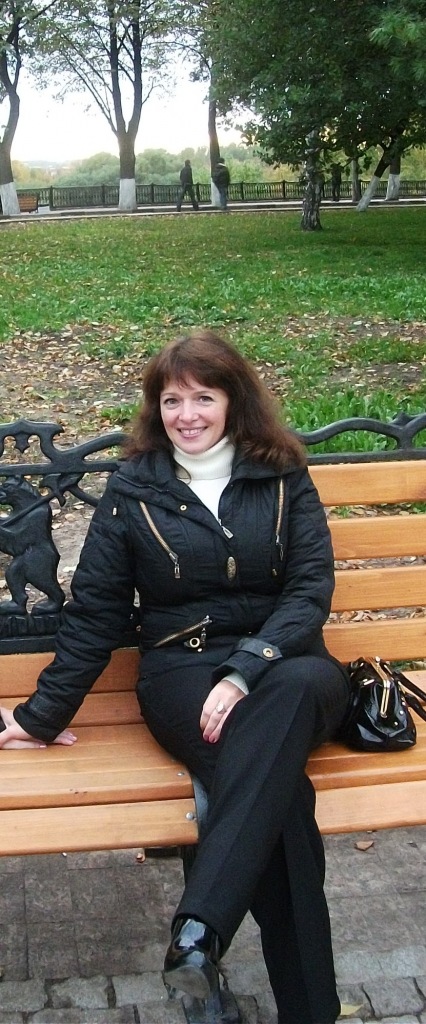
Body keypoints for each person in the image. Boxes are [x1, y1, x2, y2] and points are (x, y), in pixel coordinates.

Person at [0, 330, 350, 1024]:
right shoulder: (135, 489)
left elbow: (310, 588)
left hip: (286, 663)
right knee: (280, 800)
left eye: (203, 398)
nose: (186, 415)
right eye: (171, 400)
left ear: (234, 401)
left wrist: (246, 668)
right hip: (182, 670)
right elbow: (98, 608)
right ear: (155, 409)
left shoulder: (282, 473)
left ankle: (199, 929)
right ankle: (302, 1005)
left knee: (296, 690)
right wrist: (42, 715)